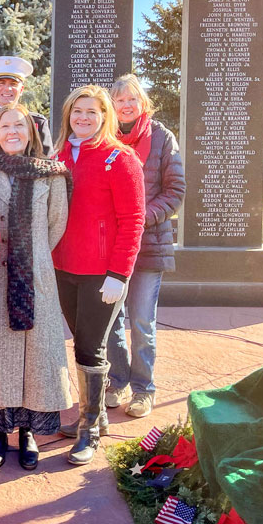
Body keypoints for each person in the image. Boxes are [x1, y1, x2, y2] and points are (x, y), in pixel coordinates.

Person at [0, 105, 72, 472]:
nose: (12, 131)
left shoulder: (52, 175)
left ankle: (27, 432)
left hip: (34, 278)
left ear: (31, 132)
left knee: (34, 358)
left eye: (20, 126)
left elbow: (56, 226)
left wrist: (31, 253)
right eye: (5, 126)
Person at [52, 85, 144, 466]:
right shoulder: (57, 157)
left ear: (105, 116)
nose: (84, 118)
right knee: (80, 343)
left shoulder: (119, 159)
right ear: (68, 116)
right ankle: (98, 416)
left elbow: (133, 220)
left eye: (92, 112)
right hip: (63, 267)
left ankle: (88, 429)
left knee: (92, 346)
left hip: (101, 274)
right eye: (78, 111)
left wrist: (119, 274)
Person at [103, 74, 184, 418]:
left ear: (143, 104)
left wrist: (139, 217)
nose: (125, 106)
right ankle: (117, 380)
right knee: (111, 320)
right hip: (110, 247)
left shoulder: (162, 138)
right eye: (119, 100)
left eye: (131, 100)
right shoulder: (103, 138)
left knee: (141, 321)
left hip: (149, 245)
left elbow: (175, 191)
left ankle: (143, 389)